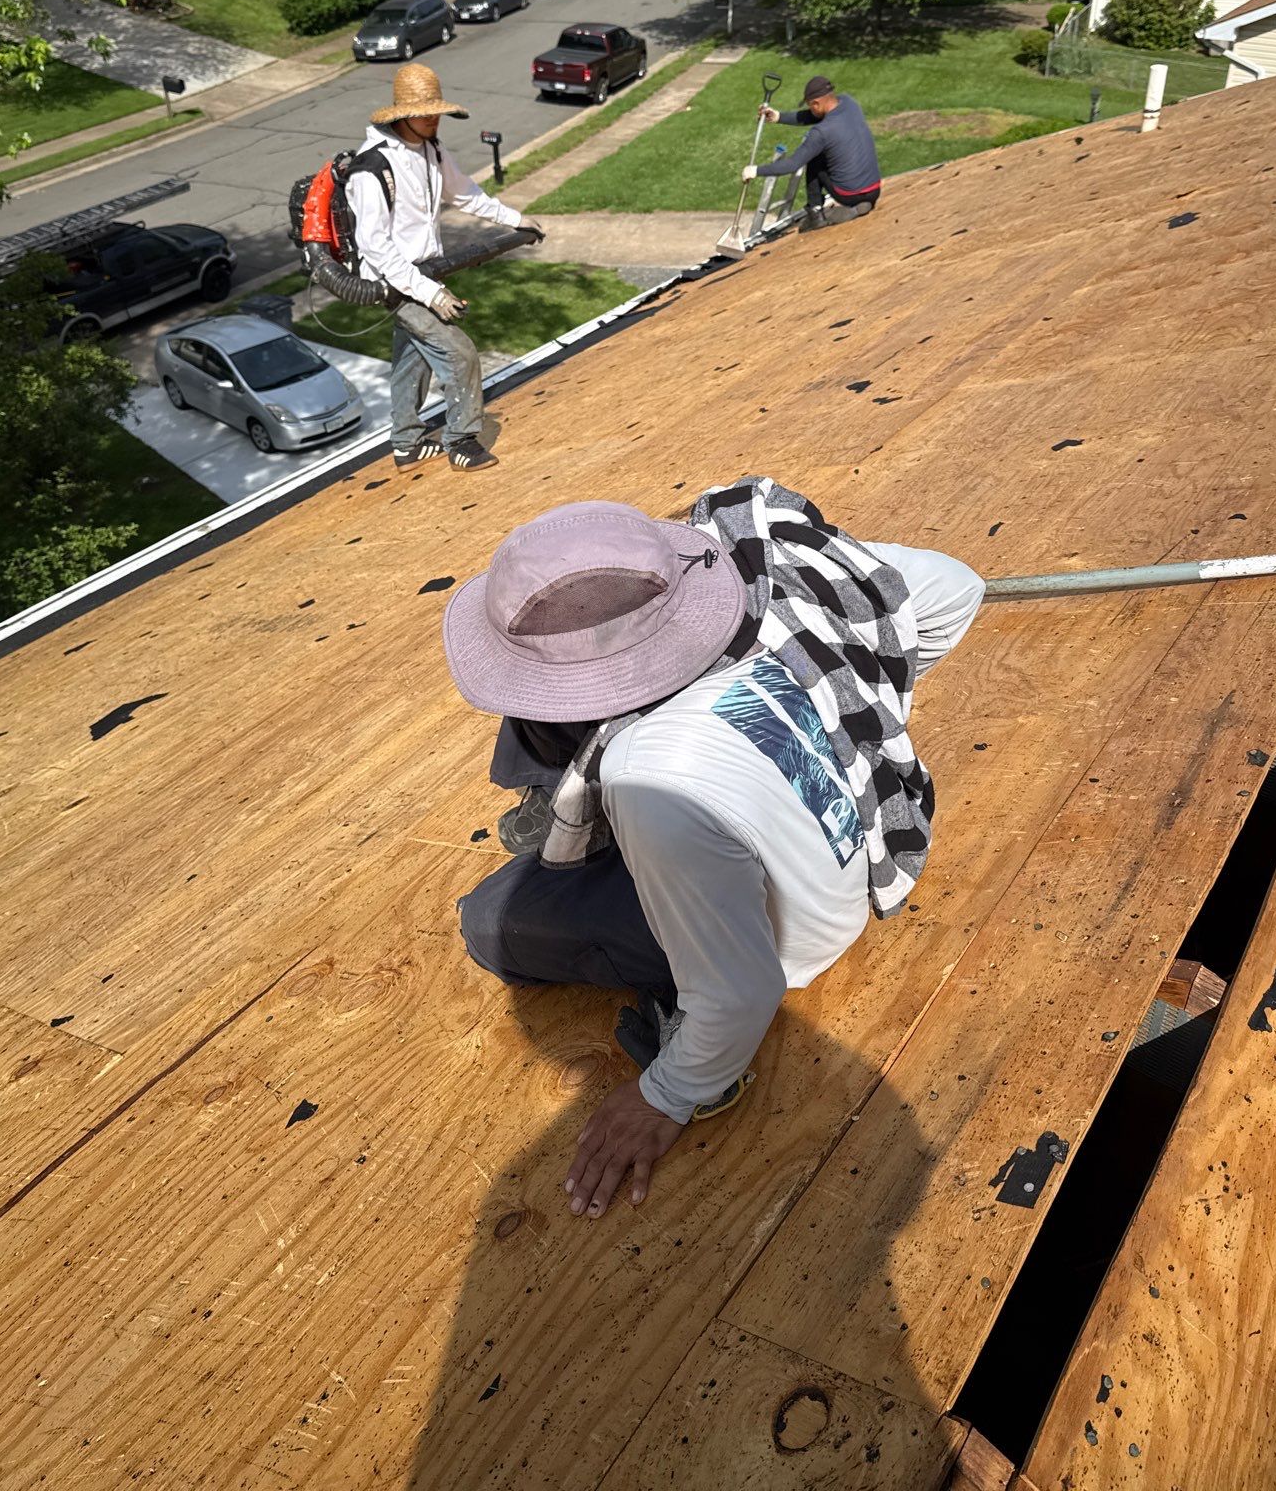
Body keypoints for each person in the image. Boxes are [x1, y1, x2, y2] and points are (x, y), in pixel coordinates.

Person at [442, 476, 984, 1218]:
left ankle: (645, 948)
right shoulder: (775, 573)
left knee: (491, 920)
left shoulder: (650, 779)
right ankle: (565, 801)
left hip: (782, 926)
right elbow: (957, 588)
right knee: (546, 725)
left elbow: (742, 990)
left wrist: (665, 1094)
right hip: (831, 824)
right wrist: (858, 705)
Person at [348, 62, 544, 472]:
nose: (434, 119)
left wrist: (515, 219)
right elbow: (375, 247)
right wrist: (431, 294)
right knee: (459, 353)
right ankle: (461, 441)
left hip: (427, 271)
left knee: (412, 360)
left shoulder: (431, 149)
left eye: (436, 112)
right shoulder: (372, 169)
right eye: (425, 113)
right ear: (403, 115)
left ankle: (406, 444)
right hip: (394, 281)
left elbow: (465, 194)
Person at [743, 74, 882, 230]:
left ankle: (816, 214)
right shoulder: (849, 103)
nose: (810, 109)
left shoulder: (821, 132)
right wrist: (778, 117)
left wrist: (755, 170)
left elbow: (792, 165)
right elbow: (812, 116)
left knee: (815, 158)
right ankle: (861, 205)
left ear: (816, 103)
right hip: (874, 190)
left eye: (810, 105)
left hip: (848, 195)